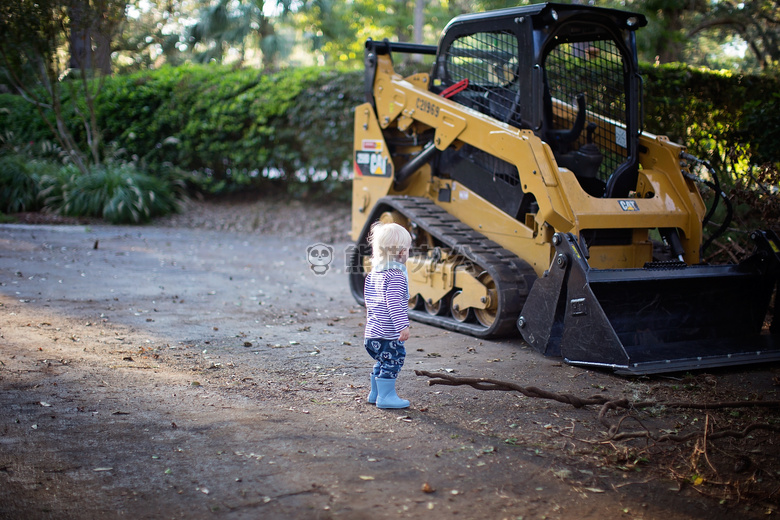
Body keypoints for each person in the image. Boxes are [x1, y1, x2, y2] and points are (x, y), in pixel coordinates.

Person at [363, 222, 412, 409]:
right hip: (387, 334)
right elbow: (393, 304)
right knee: (393, 361)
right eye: (407, 249)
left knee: (382, 361)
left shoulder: (374, 274)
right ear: (401, 253)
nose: (408, 253)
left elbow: (370, 302)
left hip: (372, 334)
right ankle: (386, 397)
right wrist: (402, 326)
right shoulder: (396, 276)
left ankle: (375, 393)